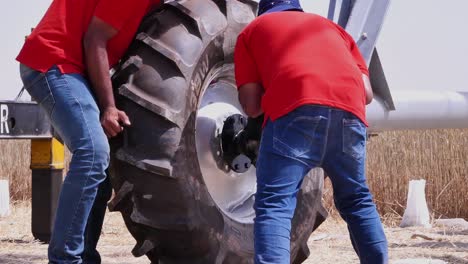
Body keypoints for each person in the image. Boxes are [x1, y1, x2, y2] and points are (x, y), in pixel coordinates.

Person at [234, 0, 388, 263]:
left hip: (295, 113)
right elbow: (367, 93)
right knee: (357, 199)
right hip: (349, 115)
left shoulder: (252, 31)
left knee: (275, 205)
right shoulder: (333, 29)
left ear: (264, 9)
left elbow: (251, 106)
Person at [16, 0, 161, 262]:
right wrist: (108, 107)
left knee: (101, 170)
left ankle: (84, 256)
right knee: (93, 152)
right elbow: (95, 38)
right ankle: (65, 259)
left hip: (77, 70)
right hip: (54, 62)